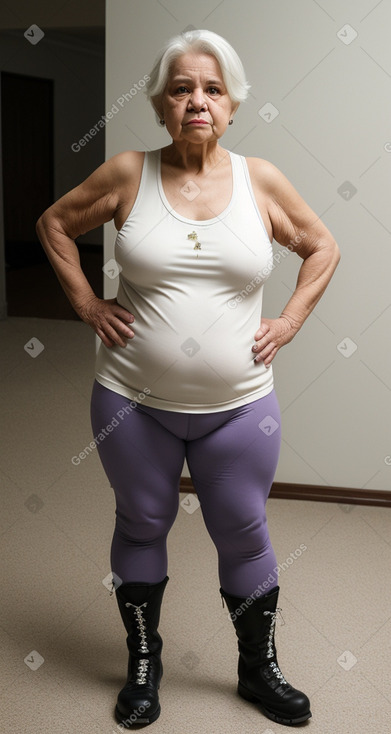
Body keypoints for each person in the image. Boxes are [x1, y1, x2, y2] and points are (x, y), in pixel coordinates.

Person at [36, 29, 340, 729]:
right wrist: (85, 303)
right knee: (142, 522)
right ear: (160, 105)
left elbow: (320, 244)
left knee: (243, 529)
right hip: (131, 402)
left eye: (210, 88)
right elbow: (54, 224)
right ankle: (144, 665)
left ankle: (256, 669)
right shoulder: (125, 174)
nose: (196, 100)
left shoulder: (259, 179)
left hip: (239, 407)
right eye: (180, 89)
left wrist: (289, 321)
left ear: (230, 104)